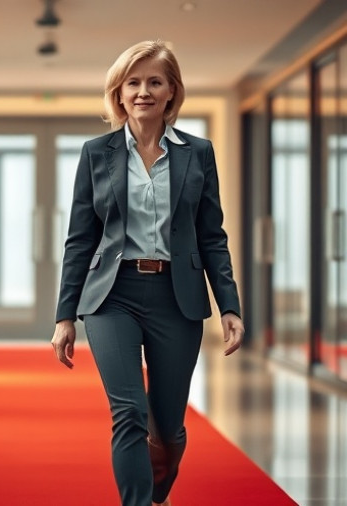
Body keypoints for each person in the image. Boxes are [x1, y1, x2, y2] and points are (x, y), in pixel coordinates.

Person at [50, 40, 245, 506]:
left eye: (154, 82)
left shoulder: (198, 153)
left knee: (168, 425)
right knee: (129, 413)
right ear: (118, 94)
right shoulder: (97, 153)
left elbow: (211, 235)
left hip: (176, 297)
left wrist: (229, 306)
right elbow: (80, 238)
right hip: (111, 295)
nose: (143, 92)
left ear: (171, 92)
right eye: (133, 83)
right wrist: (65, 316)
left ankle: (159, 493)